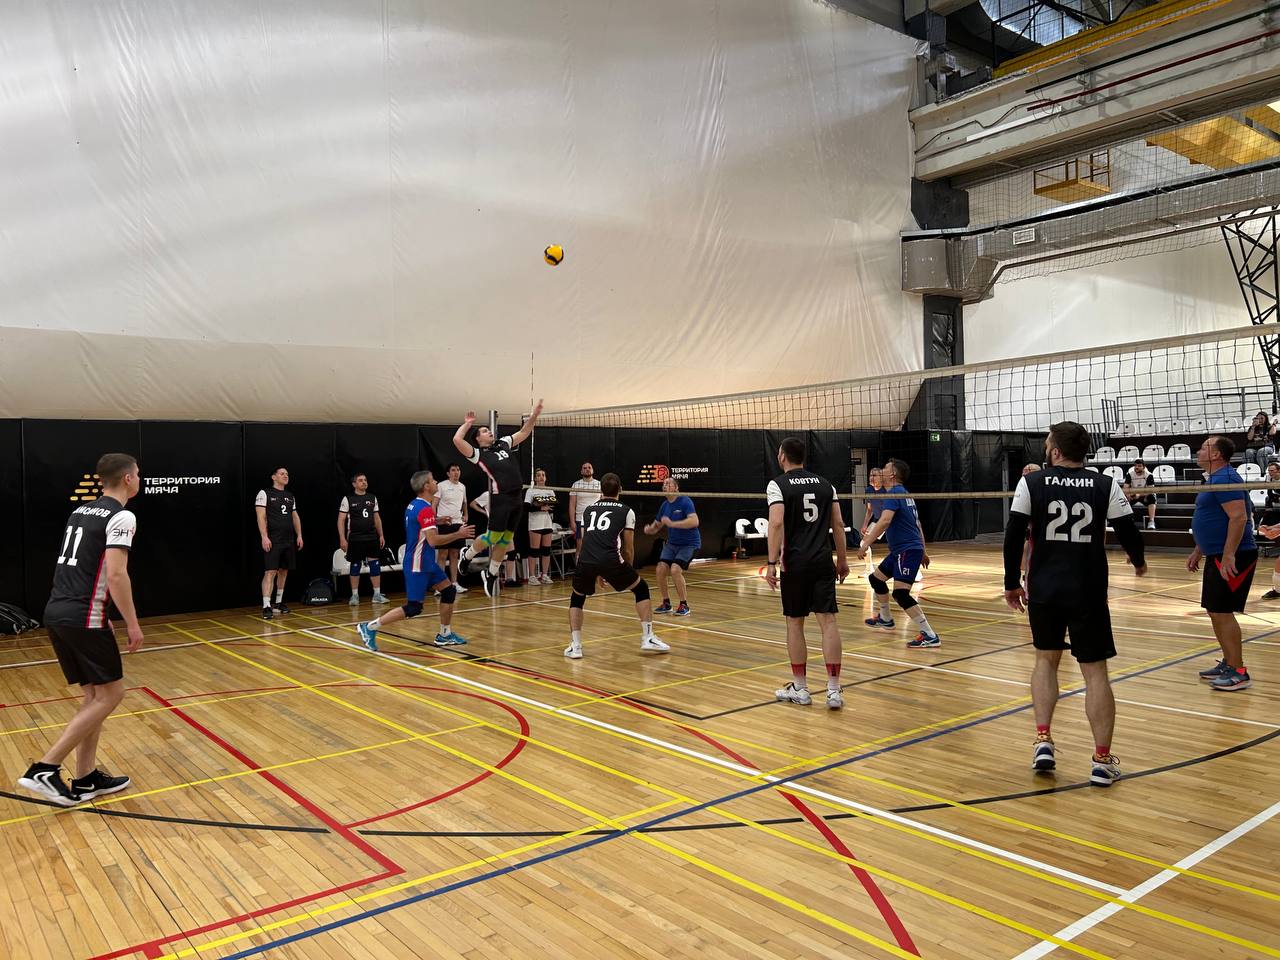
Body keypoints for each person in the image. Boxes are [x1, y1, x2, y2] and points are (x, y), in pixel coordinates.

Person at [1003, 422, 1147, 787]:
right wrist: (1138, 560)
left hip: (1045, 589)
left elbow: (1014, 533)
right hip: (1088, 589)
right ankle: (1102, 760)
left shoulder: (1031, 483)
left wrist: (1010, 582)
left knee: (1045, 660)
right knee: (1095, 673)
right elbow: (1128, 530)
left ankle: (1043, 740)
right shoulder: (1105, 484)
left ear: (1055, 451)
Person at [17, 453, 144, 806]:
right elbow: (116, 574)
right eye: (138, 474)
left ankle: (86, 777)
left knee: (95, 697)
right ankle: (45, 768)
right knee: (112, 695)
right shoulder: (123, 516)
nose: (139, 478)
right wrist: (133, 623)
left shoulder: (81, 511)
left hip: (59, 610)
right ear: (128, 479)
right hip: (83, 615)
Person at [765, 437, 850, 709]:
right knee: (829, 622)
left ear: (782, 457)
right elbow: (838, 524)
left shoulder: (777, 485)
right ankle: (833, 691)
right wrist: (842, 560)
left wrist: (770, 562)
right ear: (804, 457)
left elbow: (776, 523)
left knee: (794, 623)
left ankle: (800, 689)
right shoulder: (826, 485)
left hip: (794, 563)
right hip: (823, 561)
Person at [358, 471, 474, 652]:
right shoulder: (425, 509)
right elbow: (433, 541)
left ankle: (444, 635)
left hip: (427, 563)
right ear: (426, 486)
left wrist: (438, 520)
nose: (436, 482)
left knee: (449, 591)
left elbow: (420, 523)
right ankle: (370, 627)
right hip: (417, 564)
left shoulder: (415, 505)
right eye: (433, 480)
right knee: (414, 607)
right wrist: (458, 534)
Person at [565, 473, 669, 659]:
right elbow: (628, 548)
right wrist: (625, 571)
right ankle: (647, 637)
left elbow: (588, 541)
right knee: (641, 588)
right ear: (620, 489)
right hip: (610, 559)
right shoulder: (627, 511)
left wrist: (598, 572)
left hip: (586, 559)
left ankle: (576, 646)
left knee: (577, 597)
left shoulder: (588, 510)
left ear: (600, 490)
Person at [1189, 436, 1257, 691]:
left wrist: (1229, 555)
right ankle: (1229, 662)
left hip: (1234, 555)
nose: (1198, 451)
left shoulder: (1226, 478)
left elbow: (1239, 517)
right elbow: (1215, 517)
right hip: (1217, 553)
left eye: (1204, 448)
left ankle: (1239, 671)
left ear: (1216, 454)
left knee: (1222, 611)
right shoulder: (1215, 479)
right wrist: (1199, 549)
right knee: (1214, 610)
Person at [454, 402, 543, 596]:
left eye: (488, 430)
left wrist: (535, 416)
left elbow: (524, 432)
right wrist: (468, 423)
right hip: (501, 498)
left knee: (507, 539)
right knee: (493, 537)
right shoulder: (478, 454)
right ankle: (467, 555)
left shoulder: (503, 442)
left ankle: (491, 573)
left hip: (517, 497)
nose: (489, 432)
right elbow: (457, 440)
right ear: (478, 439)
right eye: (484, 431)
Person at [857, 459, 939, 648]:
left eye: (885, 468)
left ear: (892, 474)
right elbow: (917, 524)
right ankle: (886, 619)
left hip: (906, 551)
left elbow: (885, 521)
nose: (881, 470)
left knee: (901, 594)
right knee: (876, 580)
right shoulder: (904, 494)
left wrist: (865, 543)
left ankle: (929, 634)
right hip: (901, 551)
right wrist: (923, 550)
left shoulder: (895, 493)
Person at [644, 477, 699, 616]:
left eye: (668, 484)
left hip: (689, 544)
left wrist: (672, 524)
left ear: (676, 488)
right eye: (663, 484)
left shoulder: (685, 501)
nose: (664, 486)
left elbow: (694, 521)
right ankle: (666, 603)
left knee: (675, 570)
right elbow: (657, 525)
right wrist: (650, 529)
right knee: (660, 569)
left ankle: (684, 605)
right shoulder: (665, 505)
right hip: (672, 544)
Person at [255, 467, 303, 620]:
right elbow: (260, 516)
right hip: (273, 539)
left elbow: (295, 517)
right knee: (270, 571)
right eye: (282, 473)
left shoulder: (290, 496)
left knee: (284, 571)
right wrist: (264, 537)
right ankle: (266, 605)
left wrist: (299, 535)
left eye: (287, 474)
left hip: (288, 539)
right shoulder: (265, 493)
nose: (285, 476)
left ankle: (278, 602)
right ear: (274, 477)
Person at [338, 472, 388, 605]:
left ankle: (377, 595)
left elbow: (376, 518)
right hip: (355, 538)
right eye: (360, 480)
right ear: (354, 484)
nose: (364, 482)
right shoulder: (348, 499)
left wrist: (381, 535)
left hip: (371, 537)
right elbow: (341, 520)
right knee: (355, 565)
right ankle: (355, 596)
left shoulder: (372, 497)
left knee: (375, 564)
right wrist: (342, 538)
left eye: (365, 480)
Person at [432, 463, 470, 594]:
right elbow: (434, 504)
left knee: (455, 554)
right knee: (442, 554)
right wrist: (435, 520)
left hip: (458, 524)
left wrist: (466, 514)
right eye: (453, 470)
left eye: (458, 470)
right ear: (448, 473)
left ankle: (454, 583)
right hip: (444, 524)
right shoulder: (441, 486)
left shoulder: (462, 487)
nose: (456, 472)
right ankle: (440, 586)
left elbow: (464, 503)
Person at [470, 491, 521, 585]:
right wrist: (485, 512)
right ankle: (493, 579)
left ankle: (509, 579)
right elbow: (473, 504)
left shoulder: (506, 495)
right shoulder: (487, 495)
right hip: (495, 528)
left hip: (507, 528)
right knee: (495, 554)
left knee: (511, 553)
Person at [524, 468, 557, 584]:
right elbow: (526, 507)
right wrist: (541, 507)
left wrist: (548, 508)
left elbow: (555, 506)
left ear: (546, 477)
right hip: (535, 524)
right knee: (534, 550)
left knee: (546, 550)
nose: (541, 477)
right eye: (538, 475)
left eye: (543, 475)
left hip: (547, 523)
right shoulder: (531, 490)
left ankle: (545, 575)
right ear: (535, 478)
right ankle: (532, 576)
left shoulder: (550, 491)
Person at [569, 462, 602, 556]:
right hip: (581, 520)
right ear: (581, 471)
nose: (587, 469)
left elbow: (603, 502)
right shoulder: (576, 485)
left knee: (596, 547)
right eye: (584, 468)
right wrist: (572, 522)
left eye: (589, 467)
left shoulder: (599, 484)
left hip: (596, 520)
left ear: (592, 470)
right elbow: (572, 505)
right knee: (580, 548)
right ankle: (579, 565)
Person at [859, 467, 886, 572]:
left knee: (900, 544)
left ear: (881, 477)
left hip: (892, 520)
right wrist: (865, 524)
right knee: (863, 543)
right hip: (878, 520)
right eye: (870, 475)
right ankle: (869, 569)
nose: (871, 477)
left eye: (874, 475)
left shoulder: (887, 490)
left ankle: (915, 571)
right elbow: (870, 509)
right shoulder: (868, 490)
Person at [1124, 458, 1157, 531]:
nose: (1136, 467)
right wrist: (1128, 495)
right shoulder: (1130, 474)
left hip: (1145, 495)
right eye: (1135, 465)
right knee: (1123, 499)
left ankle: (1151, 521)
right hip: (1134, 495)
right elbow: (1125, 488)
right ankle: (1125, 522)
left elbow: (1150, 490)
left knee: (1151, 497)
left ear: (1144, 467)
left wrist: (1139, 495)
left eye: (1139, 466)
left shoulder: (1149, 475)